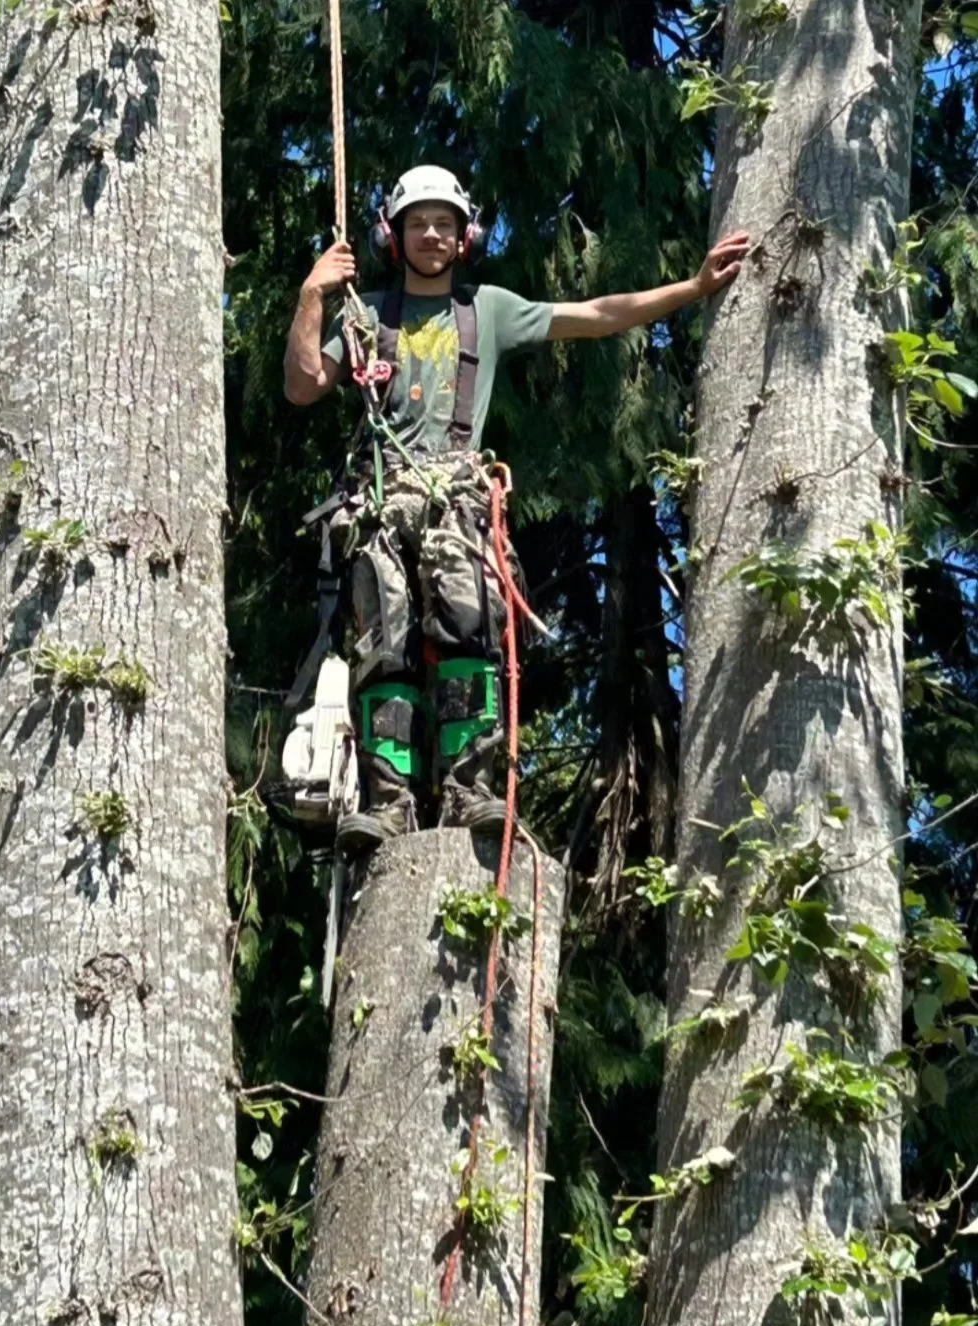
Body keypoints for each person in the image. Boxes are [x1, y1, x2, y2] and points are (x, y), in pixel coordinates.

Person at [284, 165, 749, 854]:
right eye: (419, 223)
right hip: (382, 504)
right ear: (394, 234)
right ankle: (391, 800)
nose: (433, 235)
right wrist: (311, 296)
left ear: (464, 235)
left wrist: (694, 287)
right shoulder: (364, 315)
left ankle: (473, 789)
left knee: (467, 632)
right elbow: (302, 387)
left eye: (444, 223)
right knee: (387, 650)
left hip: (455, 499)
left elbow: (593, 317)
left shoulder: (488, 311)